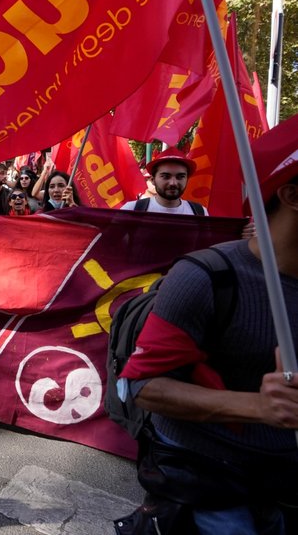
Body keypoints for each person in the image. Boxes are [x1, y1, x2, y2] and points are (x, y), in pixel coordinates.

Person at [120, 119, 298, 534]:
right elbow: (143, 386)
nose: (173, 181)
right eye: (166, 175)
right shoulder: (203, 278)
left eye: (180, 176)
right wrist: (257, 407)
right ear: (291, 194)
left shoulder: (197, 213)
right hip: (210, 481)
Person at [120, 148, 208, 215]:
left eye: (180, 177)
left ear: (187, 179)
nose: (173, 183)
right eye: (166, 176)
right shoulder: (131, 210)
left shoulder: (200, 213)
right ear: (153, 180)